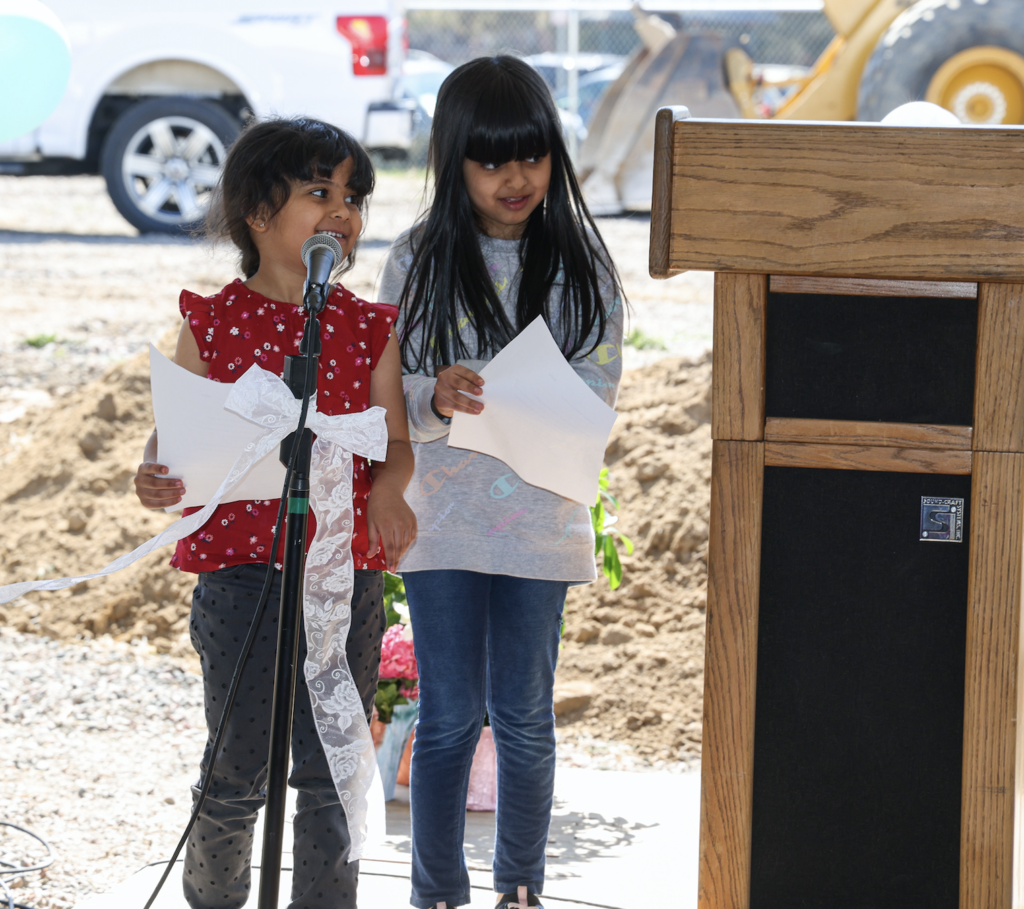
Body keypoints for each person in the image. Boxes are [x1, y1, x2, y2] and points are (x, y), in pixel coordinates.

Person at [133, 117, 417, 909]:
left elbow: (395, 442)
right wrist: (154, 472)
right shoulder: (213, 321)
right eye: (320, 192)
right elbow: (175, 437)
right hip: (240, 576)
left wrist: (389, 488)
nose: (343, 211)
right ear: (258, 213)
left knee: (331, 766)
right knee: (238, 765)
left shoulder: (368, 328)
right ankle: (216, 896)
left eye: (353, 196)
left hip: (341, 578)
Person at [378, 56, 624, 909]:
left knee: (523, 717)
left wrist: (541, 399)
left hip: (539, 523)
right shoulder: (416, 259)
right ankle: (436, 892)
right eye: (490, 160)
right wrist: (434, 396)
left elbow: (598, 388)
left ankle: (521, 888)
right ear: (453, 161)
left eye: (531, 155)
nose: (515, 177)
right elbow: (389, 390)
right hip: (442, 522)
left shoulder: (581, 262)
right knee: (448, 716)